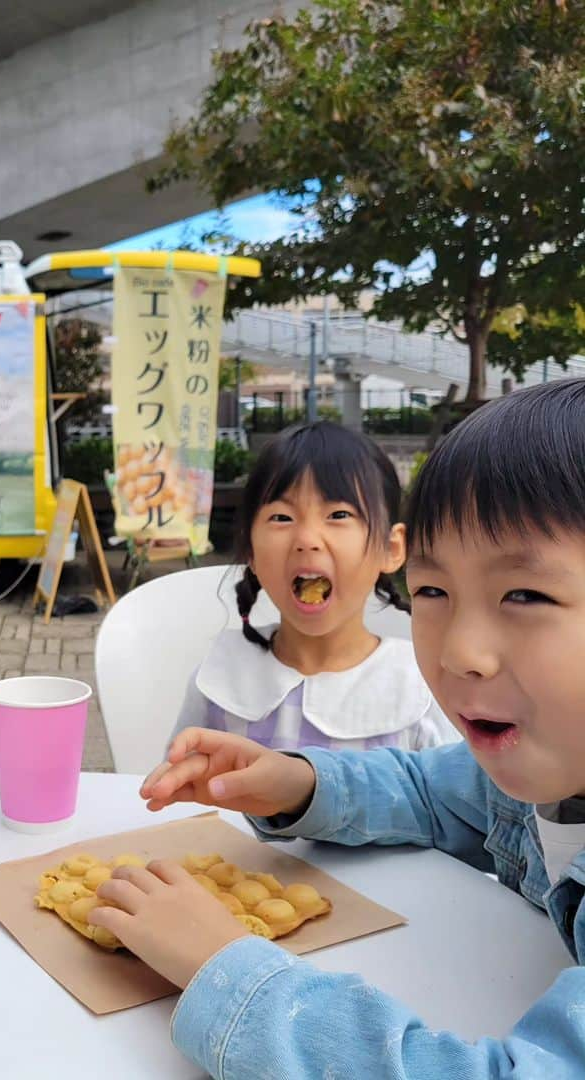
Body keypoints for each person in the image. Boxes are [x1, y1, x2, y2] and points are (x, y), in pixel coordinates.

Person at [88, 379, 585, 1077]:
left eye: (526, 594)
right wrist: (297, 782)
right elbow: (431, 788)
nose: (459, 653)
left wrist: (224, 969)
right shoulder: (544, 779)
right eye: (435, 592)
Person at [173, 422, 457, 751]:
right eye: (281, 518)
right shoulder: (219, 675)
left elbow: (455, 800)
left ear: (391, 549)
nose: (307, 540)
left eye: (338, 514)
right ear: (250, 549)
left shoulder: (419, 684)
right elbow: (181, 791)